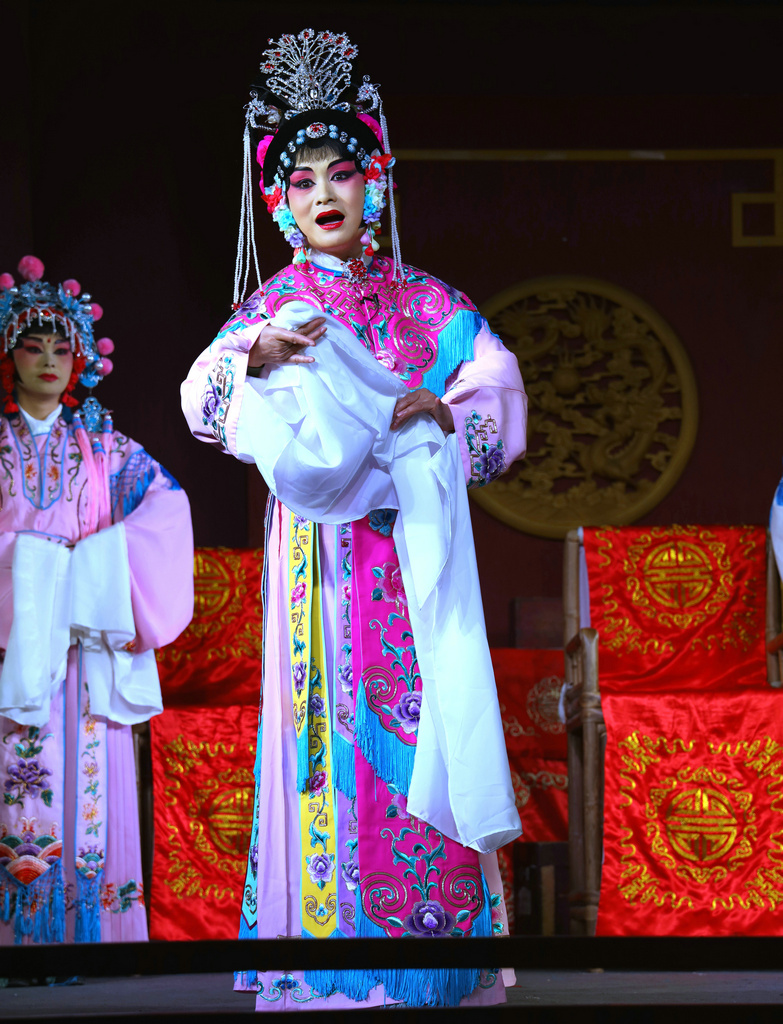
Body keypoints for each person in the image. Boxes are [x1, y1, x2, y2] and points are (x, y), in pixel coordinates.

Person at [181, 29, 527, 1010]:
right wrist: (251, 363)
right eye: (301, 182)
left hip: (415, 557)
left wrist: (446, 414)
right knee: (325, 738)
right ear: (278, 205)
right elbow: (202, 398)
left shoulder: (428, 304)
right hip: (321, 568)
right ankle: (330, 961)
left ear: (376, 185)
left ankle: (434, 959)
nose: (323, 194)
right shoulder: (274, 309)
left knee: (429, 721)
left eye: (342, 172)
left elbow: (498, 396)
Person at [0, 256, 193, 946]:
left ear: (80, 358)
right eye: (32, 346)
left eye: (62, 347)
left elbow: (167, 509)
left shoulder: (108, 451)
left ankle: (93, 932)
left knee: (90, 788)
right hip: (10, 641)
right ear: (9, 357)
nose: (49, 360)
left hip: (85, 648)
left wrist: (98, 572)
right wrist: (31, 568)